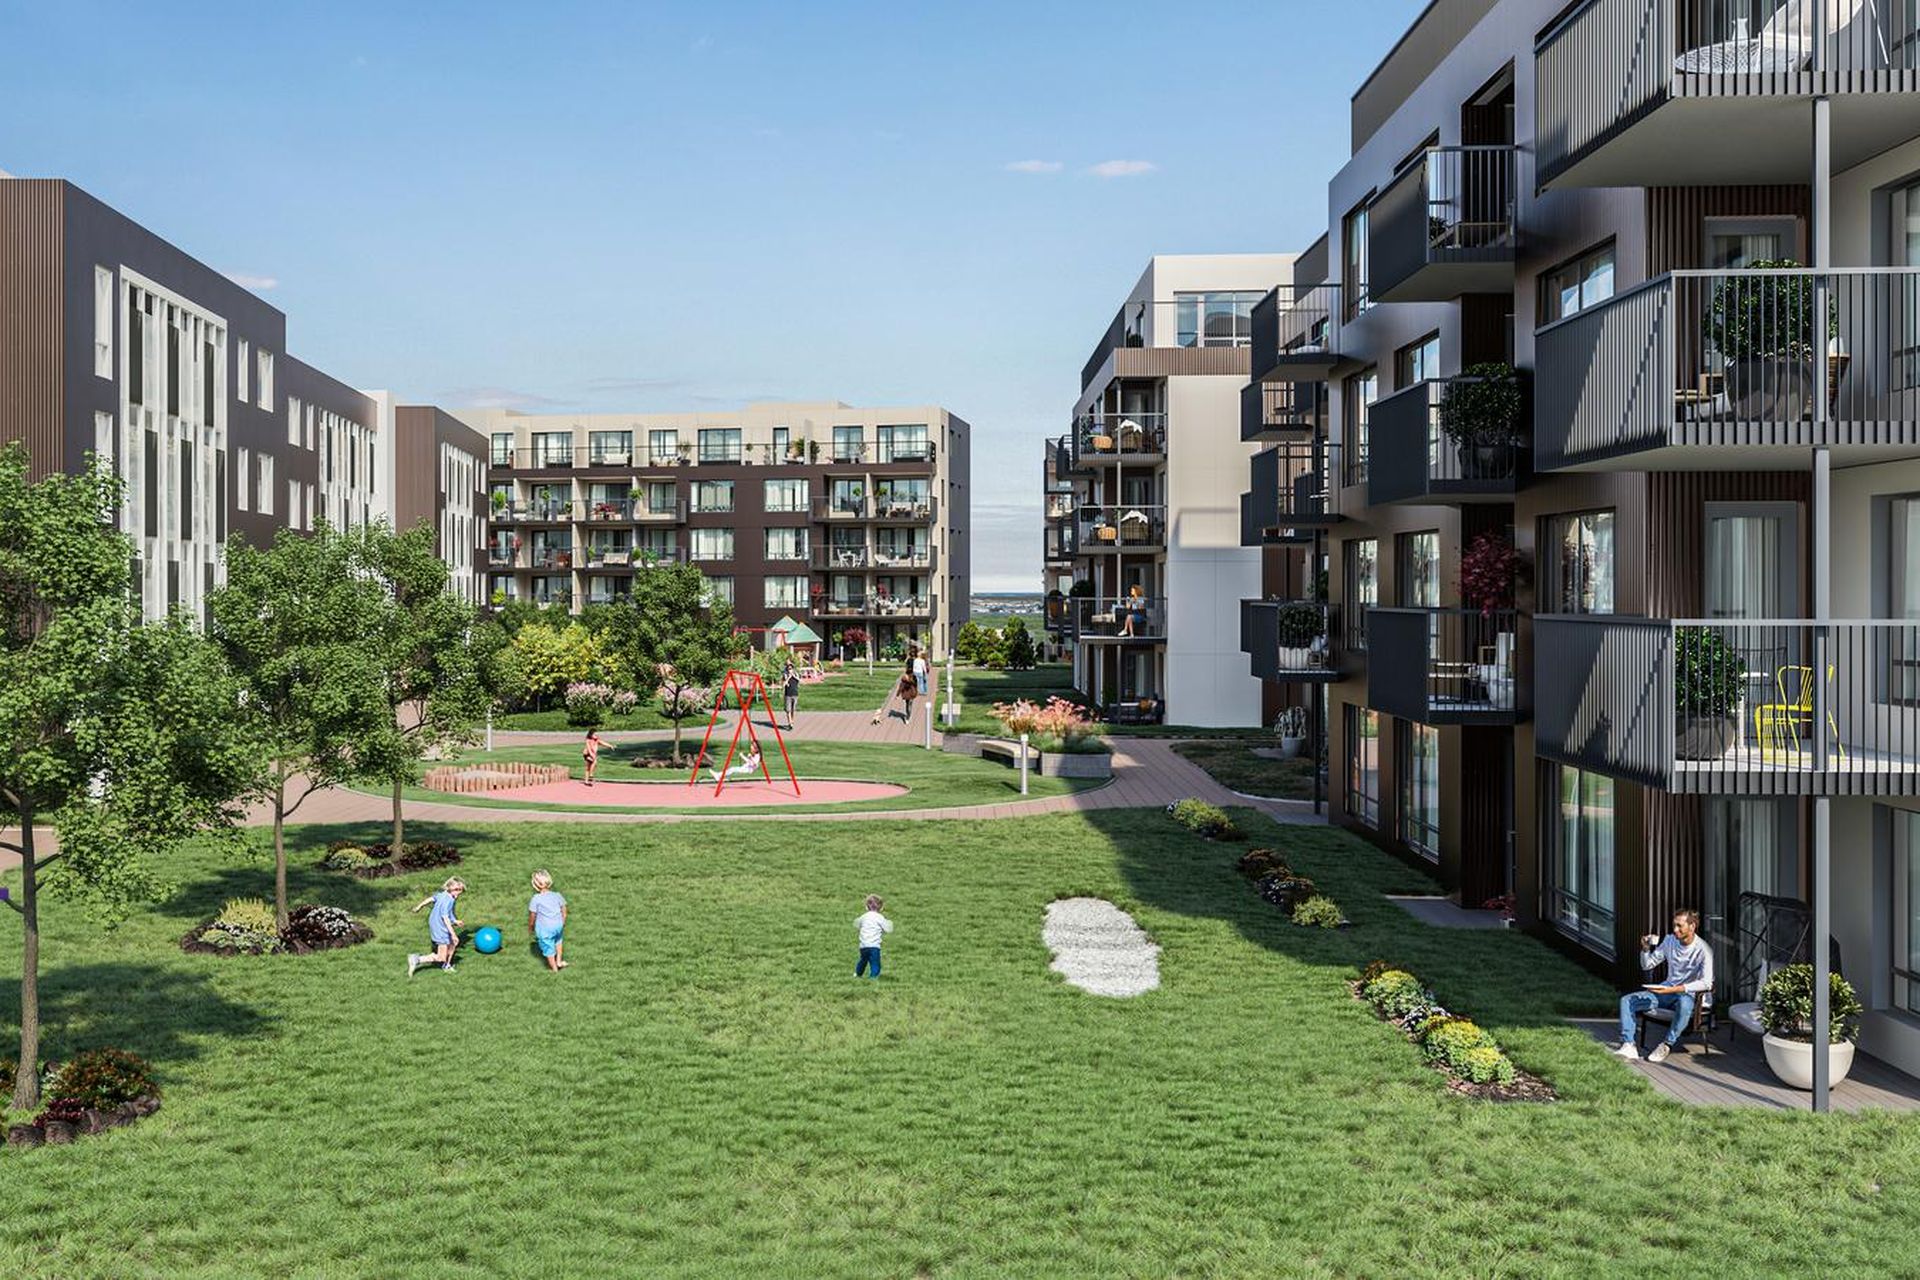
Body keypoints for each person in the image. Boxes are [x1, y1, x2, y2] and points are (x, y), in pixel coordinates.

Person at [1614, 908, 1714, 1063]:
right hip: (1667, 991)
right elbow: (1648, 965)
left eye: (1679, 926)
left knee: (1684, 1004)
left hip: (1689, 995)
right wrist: (1645, 949)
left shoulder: (1703, 950)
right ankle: (1629, 1045)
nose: (1675, 930)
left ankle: (1667, 1044)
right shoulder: (1670, 941)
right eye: (1674, 925)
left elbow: (1706, 983)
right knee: (1627, 1000)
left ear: (1692, 926)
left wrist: (1675, 989)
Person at [406, 877, 466, 977]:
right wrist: (453, 934)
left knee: (453, 943)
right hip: (440, 927)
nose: (458, 893)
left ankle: (447, 965)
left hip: (435, 922)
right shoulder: (449, 900)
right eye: (456, 890)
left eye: (460, 890)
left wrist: (419, 907)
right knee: (441, 957)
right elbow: (445, 918)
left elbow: (430, 899)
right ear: (449, 888)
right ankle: (416, 959)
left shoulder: (443, 894)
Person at [527, 869, 569, 972]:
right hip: (558, 925)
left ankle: (554, 969)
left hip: (545, 929)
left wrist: (530, 927)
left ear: (535, 885)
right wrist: (563, 921)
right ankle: (559, 961)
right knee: (558, 941)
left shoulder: (536, 899)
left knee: (548, 948)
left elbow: (532, 916)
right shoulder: (557, 895)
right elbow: (564, 910)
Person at [855, 894, 893, 979]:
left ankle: (858, 974)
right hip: (874, 946)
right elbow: (888, 929)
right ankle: (873, 977)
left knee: (863, 960)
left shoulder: (864, 917)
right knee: (875, 962)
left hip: (863, 945)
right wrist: (889, 923)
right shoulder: (880, 917)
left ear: (867, 906)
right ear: (880, 907)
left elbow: (857, 924)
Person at [782, 660, 800, 731]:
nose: (790, 670)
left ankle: (791, 721)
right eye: (789, 669)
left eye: (791, 668)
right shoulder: (785, 675)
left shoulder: (796, 674)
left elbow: (800, 681)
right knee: (788, 710)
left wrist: (794, 676)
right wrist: (788, 678)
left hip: (795, 694)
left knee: (793, 710)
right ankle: (790, 723)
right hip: (788, 695)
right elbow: (783, 685)